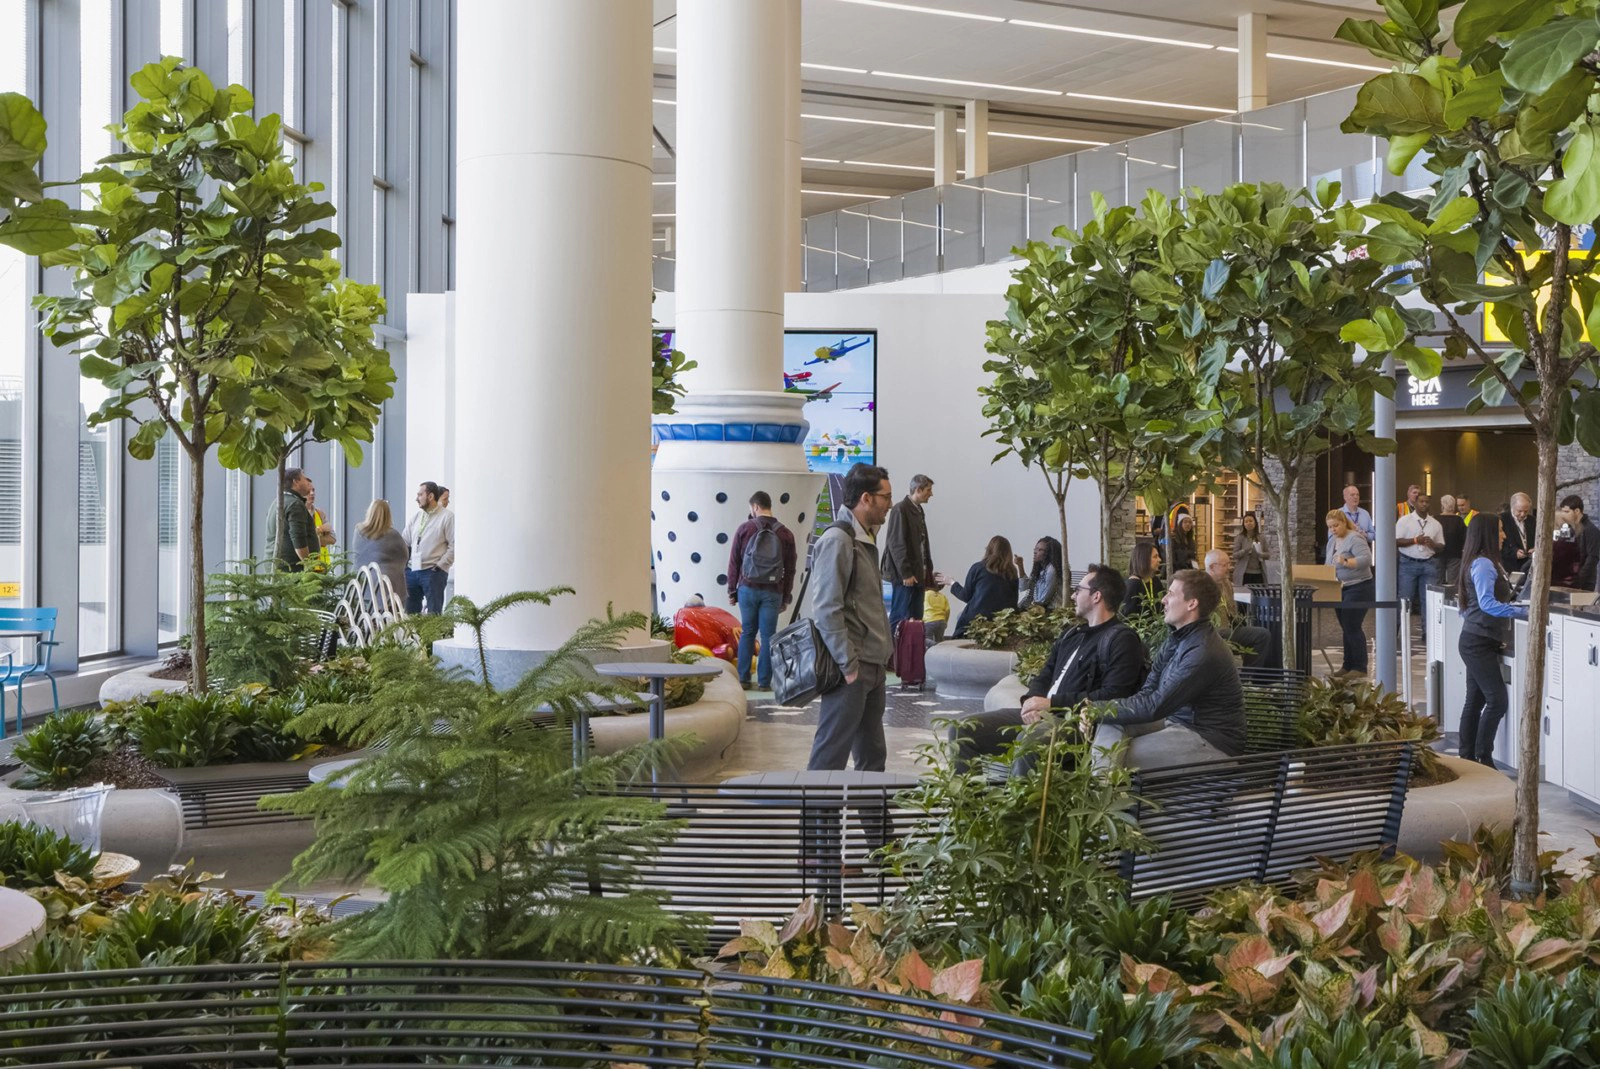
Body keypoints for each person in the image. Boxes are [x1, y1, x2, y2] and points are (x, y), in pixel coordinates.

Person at [949, 565, 1146, 770]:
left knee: (1031, 740)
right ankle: (969, 800)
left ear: (1096, 596)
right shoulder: (1073, 634)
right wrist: (1029, 703)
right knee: (962, 729)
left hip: (1076, 722)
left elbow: (1112, 696)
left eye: (1078, 590)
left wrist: (1050, 704)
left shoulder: (1121, 639)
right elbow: (1045, 674)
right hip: (1043, 714)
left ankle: (1021, 801)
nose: (1072, 596)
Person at [1095, 569, 1247, 760]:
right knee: (1109, 723)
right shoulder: (1178, 638)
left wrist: (1095, 710)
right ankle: (1099, 784)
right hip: (1176, 722)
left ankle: (1097, 785)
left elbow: (1155, 706)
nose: (1163, 600)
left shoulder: (1203, 652)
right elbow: (1148, 691)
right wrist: (1097, 711)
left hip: (1210, 739)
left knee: (1116, 755)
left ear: (1192, 604)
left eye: (1171, 594)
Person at [808, 463, 894, 772]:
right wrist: (848, 664)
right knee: (829, 758)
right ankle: (818, 822)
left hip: (873, 667)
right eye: (886, 496)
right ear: (867, 498)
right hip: (852, 670)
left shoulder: (865, 538)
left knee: (872, 760)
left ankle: (877, 823)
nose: (890, 504)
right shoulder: (838, 540)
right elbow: (826, 608)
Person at [1456, 513, 1528, 766]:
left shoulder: (1479, 562)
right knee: (1497, 700)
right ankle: (1483, 757)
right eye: (1499, 530)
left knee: (1474, 700)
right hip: (1478, 642)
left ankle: (1467, 757)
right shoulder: (1484, 564)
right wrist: (1525, 612)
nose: (1504, 534)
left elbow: (1466, 607)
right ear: (1487, 533)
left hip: (1475, 638)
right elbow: (1487, 604)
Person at [726, 491, 798, 691]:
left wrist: (732, 591)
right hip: (772, 591)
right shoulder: (785, 533)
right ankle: (765, 682)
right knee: (768, 636)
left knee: (748, 632)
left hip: (747, 589)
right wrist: (786, 596)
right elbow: (790, 569)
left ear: (755, 507)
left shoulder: (745, 528)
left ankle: (743, 679)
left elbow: (735, 563)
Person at [881, 474, 937, 634]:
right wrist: (906, 573)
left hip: (918, 575)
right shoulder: (900, 509)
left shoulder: (918, 509)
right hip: (905, 577)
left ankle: (911, 653)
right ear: (918, 489)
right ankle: (894, 655)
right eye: (928, 490)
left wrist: (928, 573)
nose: (931, 494)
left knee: (916, 617)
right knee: (900, 617)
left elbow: (922, 545)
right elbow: (896, 544)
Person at [1204, 549, 1272, 668]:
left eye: (1229, 564)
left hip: (1227, 630)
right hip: (1211, 632)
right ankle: (1247, 677)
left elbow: (1232, 612)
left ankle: (1249, 676)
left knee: (1261, 634)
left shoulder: (1226, 583)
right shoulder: (1200, 586)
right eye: (1225, 565)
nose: (1229, 568)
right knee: (1260, 635)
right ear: (1212, 567)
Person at [1327, 509, 1374, 677]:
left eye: (1336, 525)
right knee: (1345, 627)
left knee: (1351, 625)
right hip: (1339, 588)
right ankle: (1347, 665)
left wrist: (1346, 562)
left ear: (1344, 523)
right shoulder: (1332, 541)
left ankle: (1360, 667)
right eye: (1330, 527)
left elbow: (1366, 559)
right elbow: (1328, 562)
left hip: (1358, 586)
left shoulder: (1355, 538)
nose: (1333, 529)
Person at [1394, 492, 1443, 643]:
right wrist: (1416, 540)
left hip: (1429, 563)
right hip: (1408, 563)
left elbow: (1441, 546)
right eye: (1421, 501)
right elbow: (1396, 541)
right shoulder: (1404, 521)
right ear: (1414, 503)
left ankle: (1428, 633)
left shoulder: (1435, 523)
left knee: (1428, 600)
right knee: (1404, 598)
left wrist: (1433, 544)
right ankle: (1396, 631)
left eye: (1427, 502)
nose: (1424, 504)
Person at [951, 536, 1020, 638]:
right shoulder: (1012, 572)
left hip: (976, 621)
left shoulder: (978, 568)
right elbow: (1013, 601)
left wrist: (952, 583)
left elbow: (966, 596)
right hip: (1001, 624)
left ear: (989, 549)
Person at [402, 480, 455, 614]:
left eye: (420, 495)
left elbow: (454, 545)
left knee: (433, 616)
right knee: (410, 614)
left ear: (430, 496)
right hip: (412, 571)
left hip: (433, 572)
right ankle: (413, 636)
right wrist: (405, 568)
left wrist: (440, 566)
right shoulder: (416, 517)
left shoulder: (447, 517)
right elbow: (405, 542)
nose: (416, 498)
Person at [352, 498, 408, 605]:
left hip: (362, 583)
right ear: (388, 515)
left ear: (370, 512)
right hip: (388, 585)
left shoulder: (358, 531)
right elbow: (404, 556)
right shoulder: (393, 535)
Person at [266, 467, 315, 571]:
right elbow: (298, 538)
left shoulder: (276, 503)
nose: (308, 482)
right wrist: (309, 565)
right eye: (304, 478)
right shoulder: (295, 504)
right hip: (292, 569)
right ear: (295, 482)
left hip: (276, 566)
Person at [1558, 494, 1600, 590]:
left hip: (1583, 583)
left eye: (1566, 512)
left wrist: (1578, 578)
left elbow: (1593, 558)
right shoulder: (1569, 528)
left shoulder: (1591, 530)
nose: (1563, 515)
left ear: (1577, 511)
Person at [1017, 536, 1063, 610]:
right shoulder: (1040, 570)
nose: (1035, 552)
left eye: (1040, 550)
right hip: (1041, 609)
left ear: (1049, 553)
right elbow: (1024, 588)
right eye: (1035, 549)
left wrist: (1028, 608)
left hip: (1052, 611)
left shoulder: (1052, 570)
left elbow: (1044, 600)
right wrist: (1020, 566)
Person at [1123, 540, 1164, 617]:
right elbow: (1129, 618)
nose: (1160, 560)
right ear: (1144, 559)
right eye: (1155, 557)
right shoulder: (1133, 585)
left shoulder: (1155, 581)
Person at [1501, 492, 1536, 575]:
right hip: (1509, 565)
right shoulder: (1502, 520)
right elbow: (1497, 545)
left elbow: (1538, 539)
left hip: (1528, 565)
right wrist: (1514, 553)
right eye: (1519, 511)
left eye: (1526, 511)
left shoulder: (1532, 520)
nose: (1523, 514)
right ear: (1512, 507)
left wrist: (1535, 548)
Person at [1231, 512, 1269, 587]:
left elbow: (1268, 554)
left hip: (1258, 573)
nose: (1249, 523)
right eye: (1246, 521)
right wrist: (1244, 550)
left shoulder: (1261, 537)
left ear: (1255, 523)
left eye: (1251, 521)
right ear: (1244, 524)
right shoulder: (1240, 537)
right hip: (1244, 573)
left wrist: (1261, 554)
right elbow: (1234, 555)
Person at [1437, 494, 1466, 587]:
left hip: (1438, 554)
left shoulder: (1435, 519)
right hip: (1455, 554)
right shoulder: (1459, 520)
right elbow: (1464, 538)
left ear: (1442, 506)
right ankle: (1451, 600)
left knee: (1437, 582)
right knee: (1453, 583)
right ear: (1454, 506)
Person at [307, 485, 336, 567]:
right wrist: (321, 530)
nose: (312, 493)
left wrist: (312, 536)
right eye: (308, 491)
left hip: (323, 567)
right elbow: (302, 540)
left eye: (313, 490)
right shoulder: (296, 514)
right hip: (304, 566)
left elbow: (332, 539)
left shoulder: (320, 513)